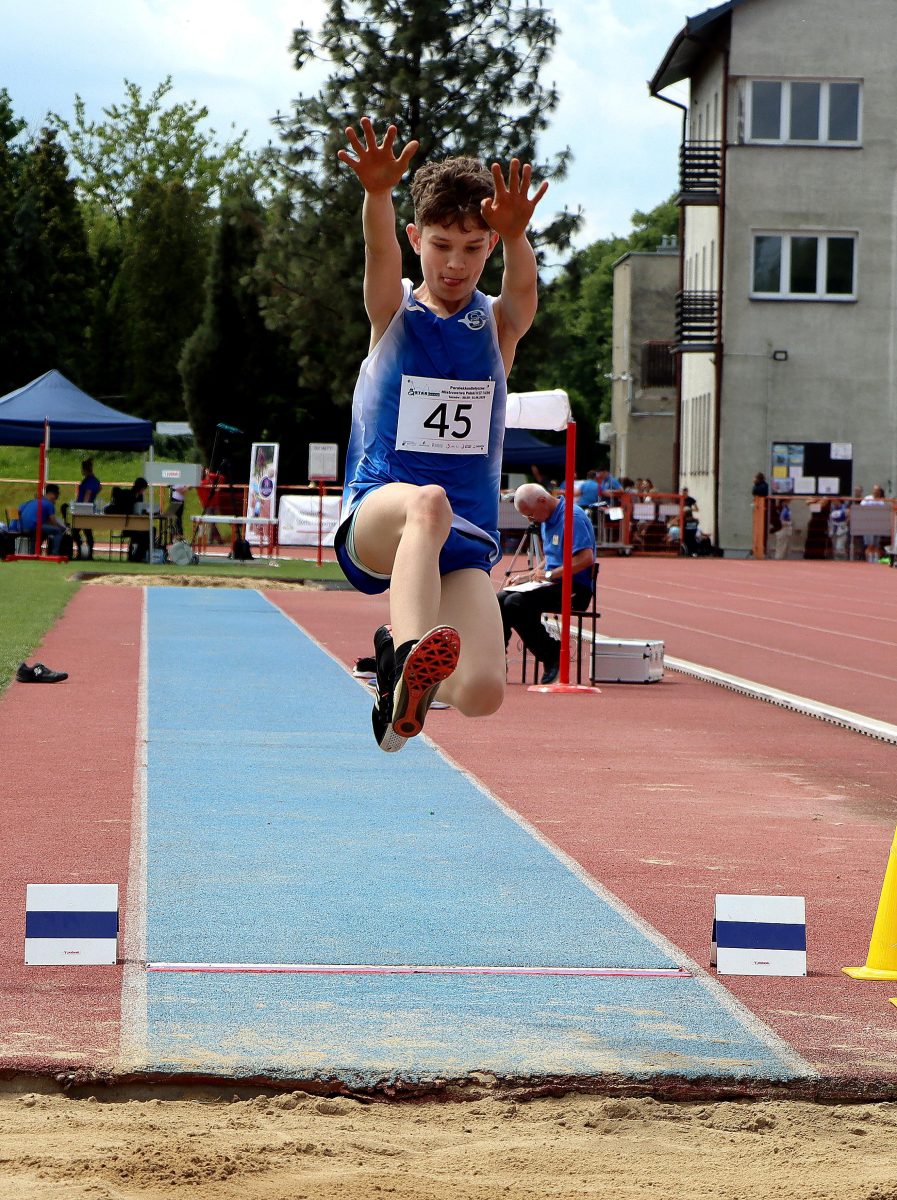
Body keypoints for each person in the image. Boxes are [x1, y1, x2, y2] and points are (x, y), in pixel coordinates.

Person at [335, 117, 548, 752]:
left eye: (474, 248)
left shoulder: (498, 326)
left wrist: (518, 236)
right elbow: (378, 255)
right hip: (383, 515)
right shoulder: (393, 312)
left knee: (483, 691)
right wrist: (377, 193)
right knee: (428, 501)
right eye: (441, 245)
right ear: (416, 238)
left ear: (490, 246)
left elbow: (523, 289)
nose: (456, 263)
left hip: (464, 538)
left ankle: (401, 678)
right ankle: (407, 659)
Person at [496, 484, 596, 685]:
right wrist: (529, 576)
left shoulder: (572, 518)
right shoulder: (546, 518)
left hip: (574, 588)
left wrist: (550, 574)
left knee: (515, 603)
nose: (530, 520)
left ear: (542, 501)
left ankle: (551, 653)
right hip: (551, 583)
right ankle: (497, 659)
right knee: (500, 599)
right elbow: (551, 557)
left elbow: (586, 558)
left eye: (531, 514)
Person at [17, 483, 69, 555]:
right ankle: (54, 553)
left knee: (42, 533)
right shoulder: (49, 504)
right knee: (57, 531)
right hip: (35, 527)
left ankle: (33, 553)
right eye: (56, 496)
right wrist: (63, 529)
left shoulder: (34, 501)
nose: (56, 500)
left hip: (23, 527)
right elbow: (53, 522)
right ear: (52, 494)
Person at [74, 458, 102, 561]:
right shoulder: (89, 480)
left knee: (78, 530)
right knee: (86, 531)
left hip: (84, 509)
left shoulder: (90, 480)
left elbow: (88, 493)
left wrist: (84, 507)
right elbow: (100, 488)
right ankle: (87, 552)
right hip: (84, 507)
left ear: (85, 469)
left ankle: (84, 551)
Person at [861, 484, 888, 562]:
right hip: (868, 525)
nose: (876, 492)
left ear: (879, 492)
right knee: (870, 545)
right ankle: (869, 560)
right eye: (875, 490)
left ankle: (876, 561)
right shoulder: (867, 498)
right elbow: (861, 509)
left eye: (877, 490)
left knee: (876, 545)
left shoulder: (881, 501)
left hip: (877, 525)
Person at [126, 476, 151, 563]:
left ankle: (140, 555)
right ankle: (136, 557)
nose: (143, 491)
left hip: (138, 523)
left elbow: (140, 508)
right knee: (145, 535)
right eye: (143, 489)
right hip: (129, 523)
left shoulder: (140, 496)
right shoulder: (129, 495)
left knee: (151, 531)